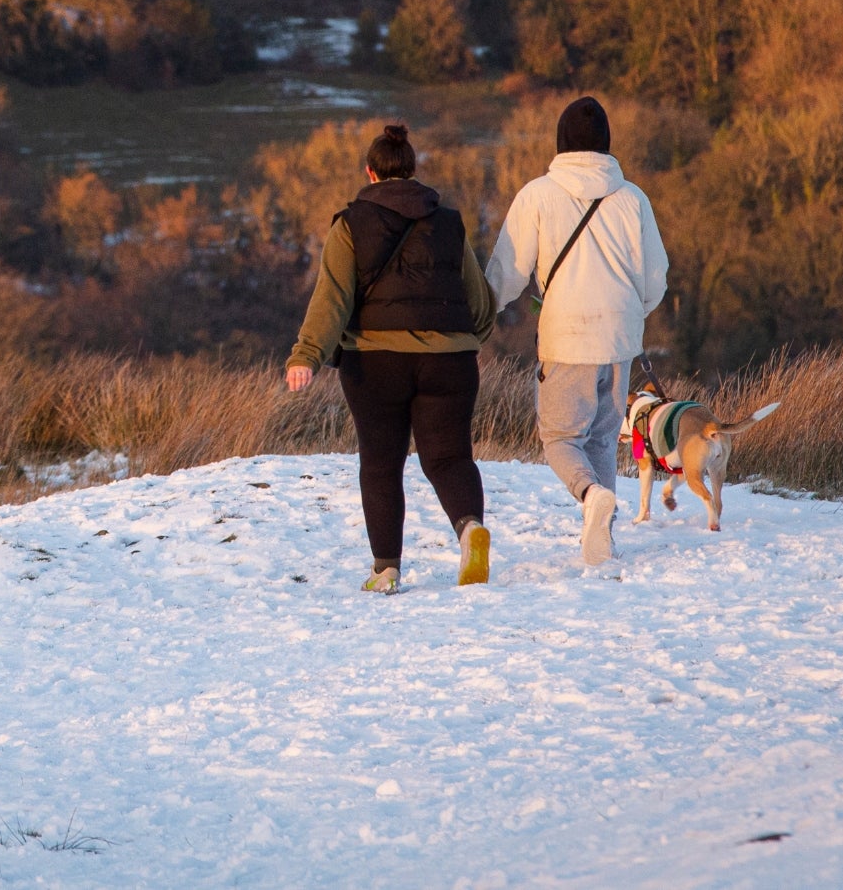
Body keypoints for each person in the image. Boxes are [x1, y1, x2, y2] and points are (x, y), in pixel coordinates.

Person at [285, 121, 496, 594]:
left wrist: (307, 355)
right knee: (449, 458)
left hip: (376, 361)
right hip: (450, 358)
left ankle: (386, 570)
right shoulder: (448, 223)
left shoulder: (351, 224)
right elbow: (479, 301)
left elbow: (332, 299)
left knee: (381, 462)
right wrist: (463, 341)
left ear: (370, 173)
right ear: (412, 170)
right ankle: (469, 529)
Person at [485, 95, 669, 566]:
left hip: (566, 336)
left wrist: (481, 312)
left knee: (560, 438)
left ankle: (591, 497)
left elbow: (507, 271)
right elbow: (655, 279)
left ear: (561, 142)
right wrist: (633, 315)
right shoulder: (633, 198)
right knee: (604, 438)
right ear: (606, 143)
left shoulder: (538, 194)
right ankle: (601, 537)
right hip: (619, 339)